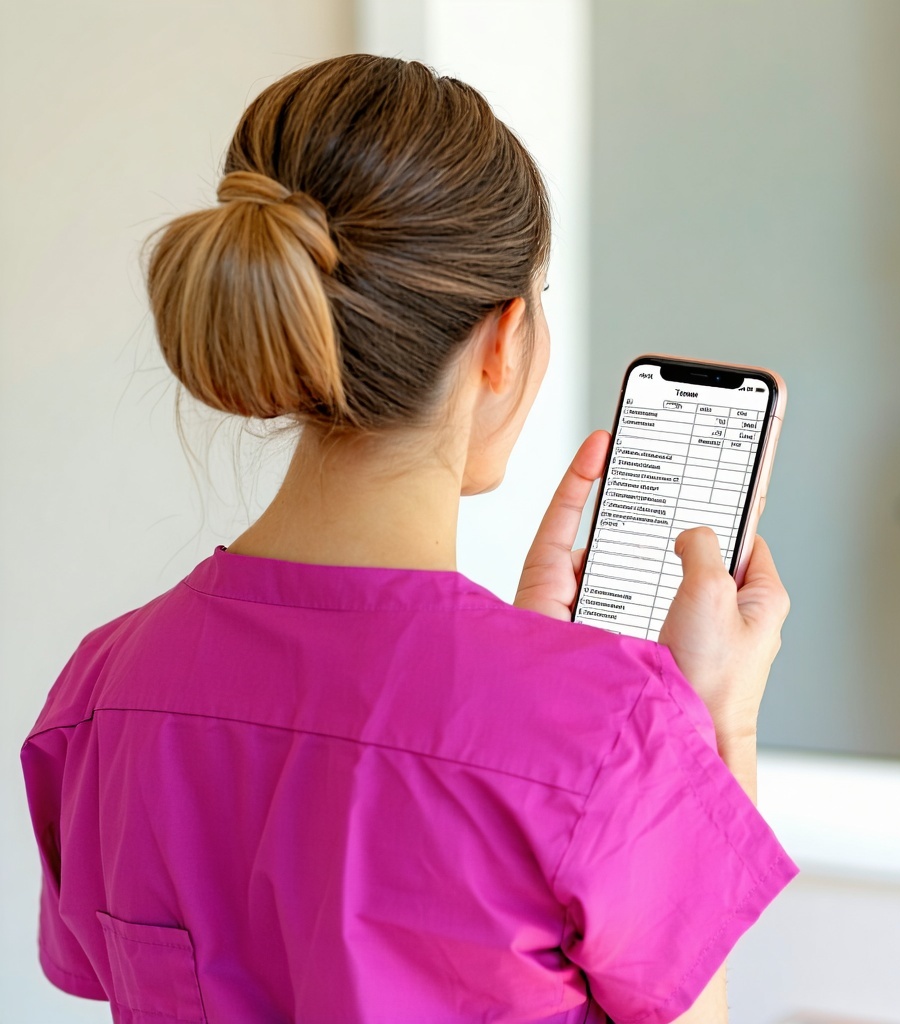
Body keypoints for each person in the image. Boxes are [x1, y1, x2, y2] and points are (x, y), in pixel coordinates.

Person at [21, 54, 797, 1024]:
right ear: (504, 339)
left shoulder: (102, 690)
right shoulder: (607, 729)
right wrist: (711, 724)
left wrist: (541, 681)